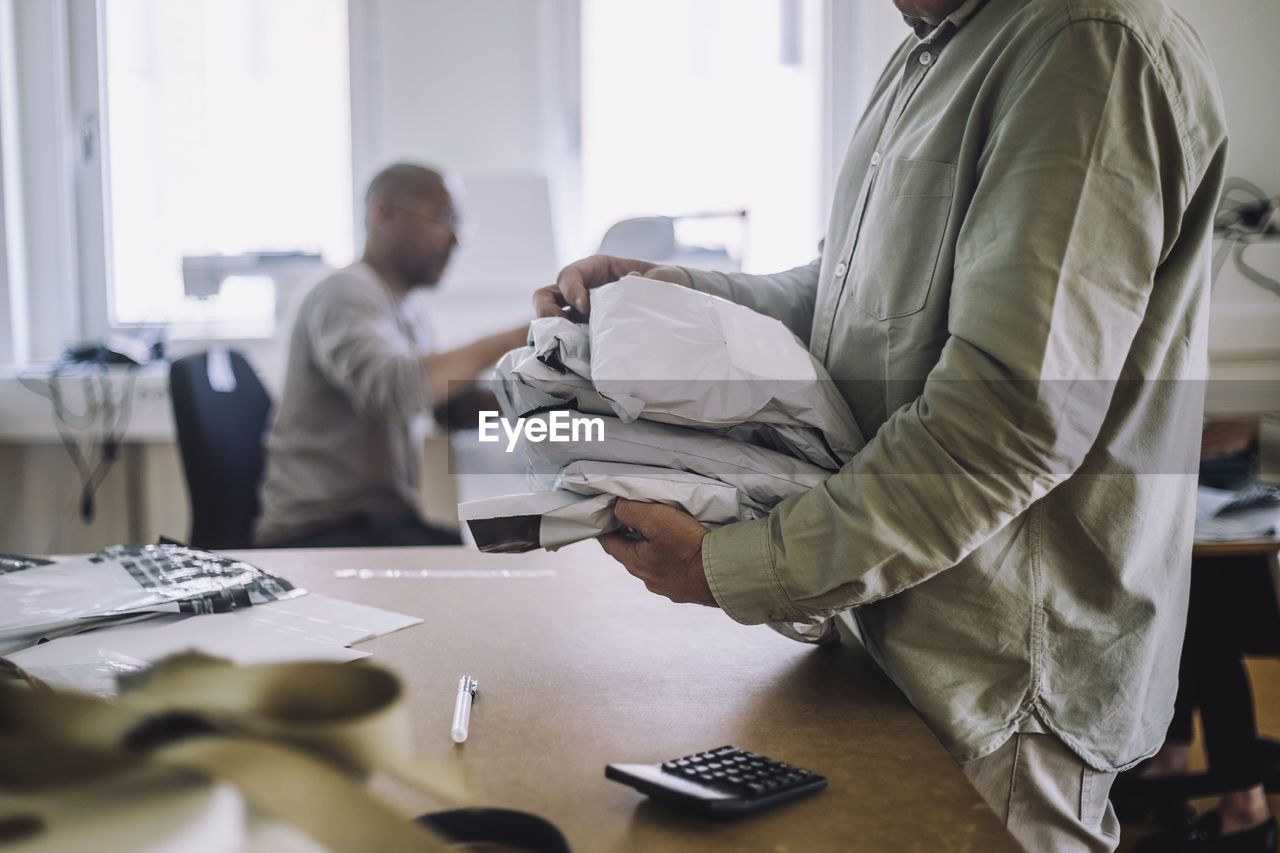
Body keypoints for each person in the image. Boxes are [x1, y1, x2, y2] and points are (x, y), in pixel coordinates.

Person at [535, 0, 1227, 850]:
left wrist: (734, 567)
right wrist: (673, 290)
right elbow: (846, 296)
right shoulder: (933, 52)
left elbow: (1007, 421)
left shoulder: (1087, 46)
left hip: (1001, 686)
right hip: (890, 639)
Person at [255, 163, 528, 548]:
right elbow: (396, 389)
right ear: (385, 213)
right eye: (444, 217)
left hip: (372, 524)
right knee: (493, 560)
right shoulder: (344, 292)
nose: (456, 239)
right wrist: (521, 335)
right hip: (320, 531)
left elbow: (450, 409)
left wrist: (540, 399)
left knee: (493, 551)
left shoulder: (406, 309)